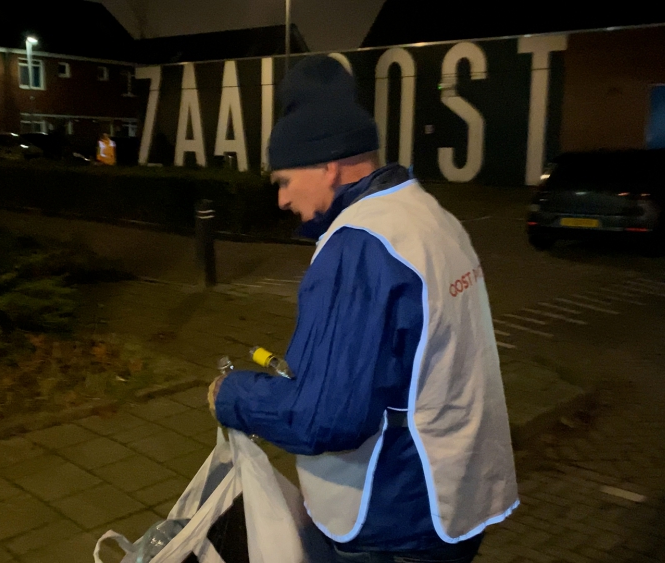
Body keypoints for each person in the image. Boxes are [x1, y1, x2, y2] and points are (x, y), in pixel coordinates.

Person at [207, 56, 519, 563]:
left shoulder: (358, 248)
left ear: (326, 164)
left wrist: (233, 395)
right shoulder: (426, 216)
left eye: (284, 181)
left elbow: (325, 419)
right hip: (457, 496)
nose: (283, 200)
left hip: (392, 518)